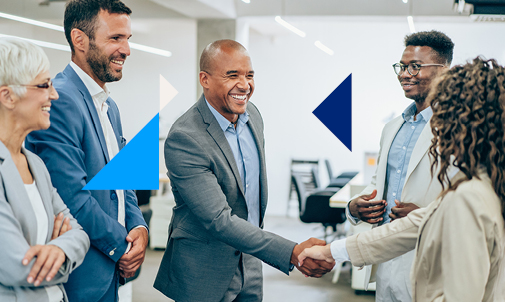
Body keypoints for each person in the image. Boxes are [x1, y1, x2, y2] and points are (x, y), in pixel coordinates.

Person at [299, 57, 505, 302]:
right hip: (390, 268)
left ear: (467, 123)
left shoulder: (469, 197)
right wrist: (332, 250)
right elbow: (415, 224)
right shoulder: (487, 183)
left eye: (445, 113)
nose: (438, 124)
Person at [154, 39, 332, 302]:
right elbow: (219, 220)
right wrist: (291, 251)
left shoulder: (253, 117)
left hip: (251, 262)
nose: (245, 85)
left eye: (249, 75)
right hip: (204, 269)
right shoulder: (185, 137)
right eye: (232, 75)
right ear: (205, 79)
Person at [25, 0, 148, 301]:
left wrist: (139, 227)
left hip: (109, 272)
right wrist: (124, 245)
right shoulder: (61, 99)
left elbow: (122, 180)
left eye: (127, 39)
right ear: (80, 40)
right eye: (115, 39)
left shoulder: (110, 107)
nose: (126, 50)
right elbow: (71, 195)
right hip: (80, 274)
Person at [0, 38, 90, 302]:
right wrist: (64, 251)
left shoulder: (34, 163)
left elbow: (79, 234)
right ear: (7, 96)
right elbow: (17, 265)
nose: (54, 94)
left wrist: (58, 249)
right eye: (44, 85)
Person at [345, 30, 455, 301]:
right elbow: (379, 183)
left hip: (431, 260)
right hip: (387, 260)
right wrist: (355, 207)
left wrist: (426, 217)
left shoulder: (459, 128)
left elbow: (467, 197)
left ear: (444, 70)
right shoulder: (392, 128)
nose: (405, 74)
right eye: (402, 66)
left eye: (415, 66)